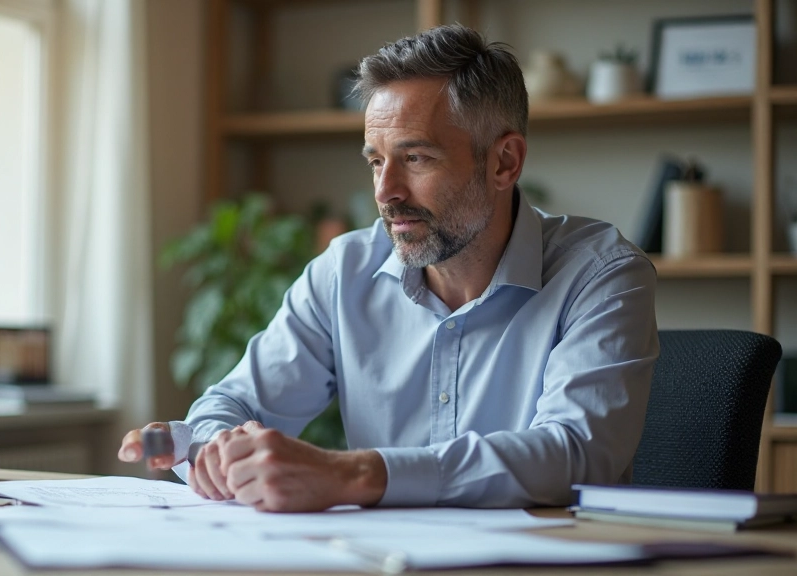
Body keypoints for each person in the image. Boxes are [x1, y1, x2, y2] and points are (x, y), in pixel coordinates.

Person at [120, 24, 658, 512]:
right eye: (376, 161)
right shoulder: (345, 270)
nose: (385, 192)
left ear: (504, 162)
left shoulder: (601, 275)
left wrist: (353, 472)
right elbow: (233, 402)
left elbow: (573, 454)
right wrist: (217, 449)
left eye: (416, 158)